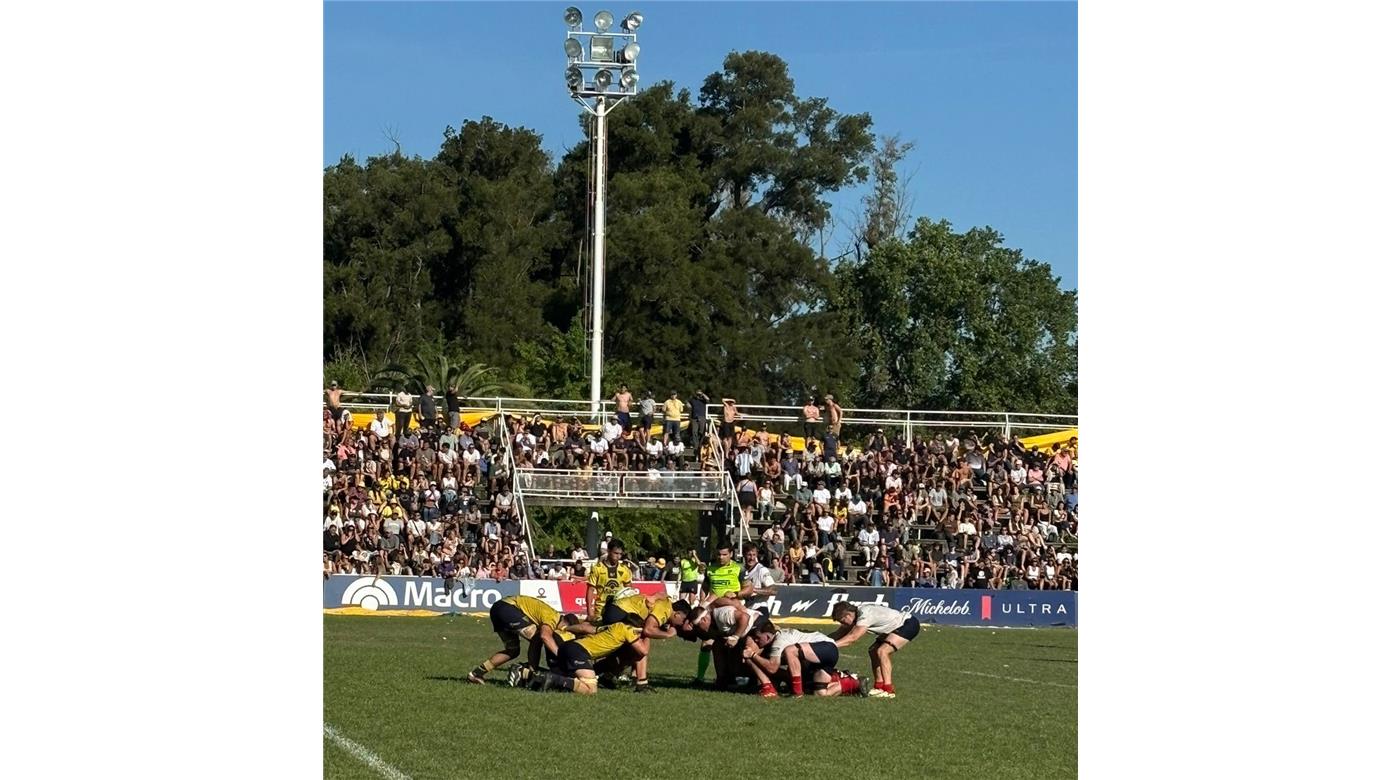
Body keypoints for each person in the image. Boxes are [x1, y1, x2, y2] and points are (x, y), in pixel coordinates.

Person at [467, 595, 593, 684]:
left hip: (498, 609)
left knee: (513, 650)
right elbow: (544, 636)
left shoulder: (551, 616)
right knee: (537, 638)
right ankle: (532, 672)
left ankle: (476, 674)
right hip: (507, 608)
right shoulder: (553, 617)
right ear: (565, 625)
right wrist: (561, 656)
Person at [509, 622, 645, 695]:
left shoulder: (614, 626)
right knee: (590, 689)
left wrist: (567, 628)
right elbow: (643, 651)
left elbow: (583, 628)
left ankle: (524, 672)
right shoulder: (628, 629)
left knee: (570, 682)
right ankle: (551, 678)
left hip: (569, 647)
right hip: (578, 652)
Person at [742, 620, 868, 698]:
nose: (757, 641)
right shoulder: (778, 639)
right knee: (820, 695)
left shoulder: (779, 640)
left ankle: (797, 693)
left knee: (790, 651)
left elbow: (772, 667)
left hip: (826, 647)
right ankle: (852, 683)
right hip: (824, 653)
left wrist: (752, 655)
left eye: (758, 638)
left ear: (768, 636)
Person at [829, 600, 922, 698]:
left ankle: (888, 690)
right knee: (873, 651)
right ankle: (878, 687)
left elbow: (853, 638)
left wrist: (831, 646)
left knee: (883, 651)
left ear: (848, 615)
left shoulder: (865, 615)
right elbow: (838, 633)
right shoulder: (857, 615)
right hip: (895, 627)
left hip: (907, 624)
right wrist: (821, 641)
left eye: (842, 621)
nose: (842, 624)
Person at [585, 538, 633, 622]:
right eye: (616, 553)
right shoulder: (597, 569)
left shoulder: (625, 570)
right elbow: (590, 590)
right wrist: (590, 613)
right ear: (609, 551)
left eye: (620, 554)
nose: (618, 556)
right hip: (601, 610)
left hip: (619, 609)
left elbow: (629, 591)